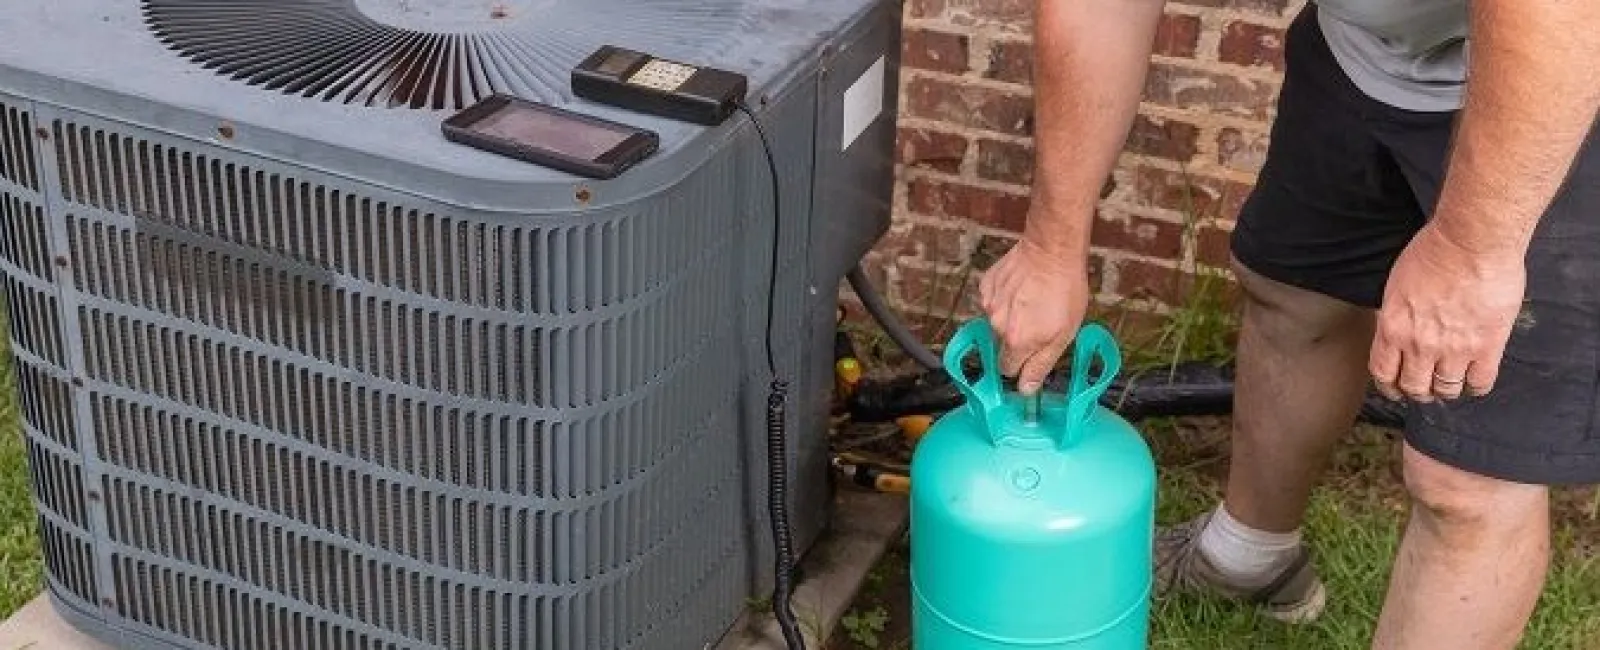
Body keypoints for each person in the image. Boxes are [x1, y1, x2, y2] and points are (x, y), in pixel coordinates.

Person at [978, 1, 1600, 647]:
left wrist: (1471, 254)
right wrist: (1052, 247)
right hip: (1366, 52)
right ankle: (1248, 558)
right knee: (1295, 294)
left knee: (1468, 478)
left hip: (1558, 85)